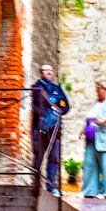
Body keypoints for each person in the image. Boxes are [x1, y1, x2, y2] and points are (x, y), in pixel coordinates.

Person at [29, 64, 69, 192]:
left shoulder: (57, 88)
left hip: (54, 129)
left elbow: (65, 106)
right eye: (45, 70)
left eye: (50, 71)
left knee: (54, 159)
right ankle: (36, 185)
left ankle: (51, 186)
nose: (48, 72)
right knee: (39, 157)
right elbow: (38, 106)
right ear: (41, 73)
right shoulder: (36, 87)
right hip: (40, 128)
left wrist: (54, 104)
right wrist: (53, 103)